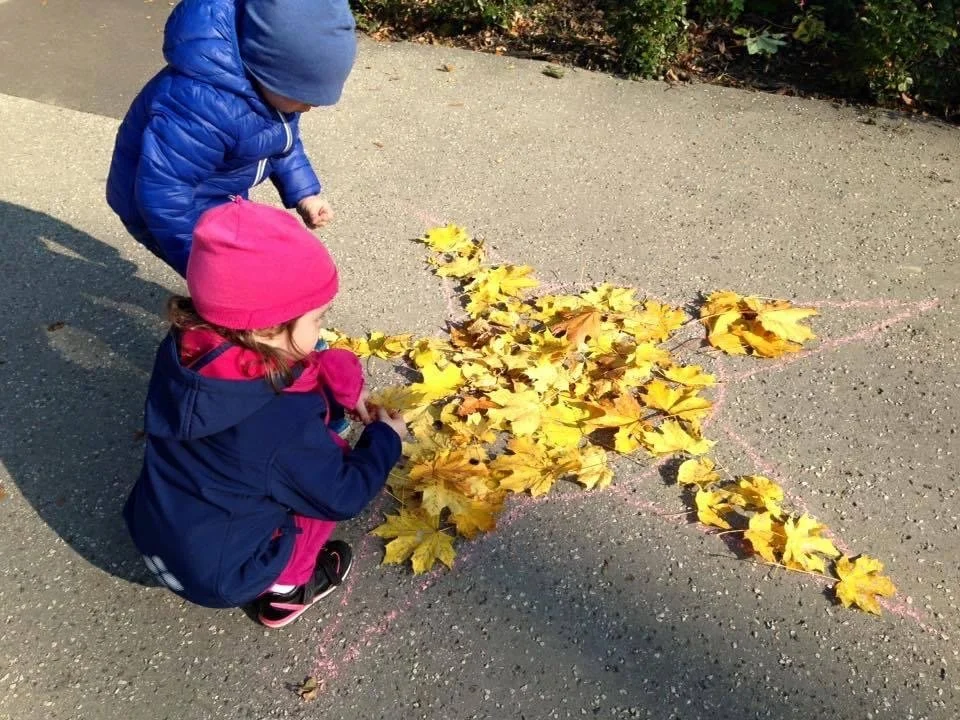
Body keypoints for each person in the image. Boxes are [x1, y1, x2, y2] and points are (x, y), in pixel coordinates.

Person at [123, 198, 407, 628]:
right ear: (266, 328)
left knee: (276, 462)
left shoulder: (190, 348)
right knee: (314, 498)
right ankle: (285, 593)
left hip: (152, 526)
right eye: (318, 319)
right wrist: (385, 441)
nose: (323, 330)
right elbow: (342, 494)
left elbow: (301, 368)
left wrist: (338, 378)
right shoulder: (280, 426)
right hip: (221, 575)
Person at [106, 0, 357, 276]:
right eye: (304, 98)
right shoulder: (202, 108)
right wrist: (205, 267)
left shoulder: (269, 95)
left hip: (217, 193)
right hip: (164, 207)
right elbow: (164, 196)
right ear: (265, 71)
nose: (309, 107)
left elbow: (282, 142)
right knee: (222, 288)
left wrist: (306, 193)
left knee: (241, 272)